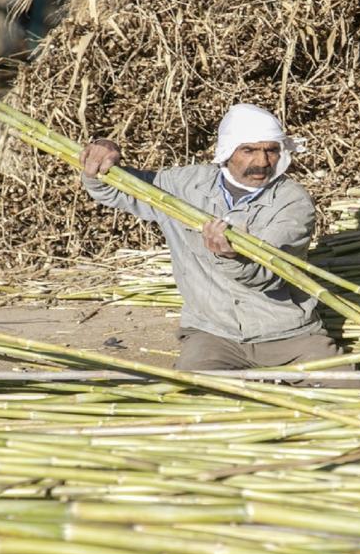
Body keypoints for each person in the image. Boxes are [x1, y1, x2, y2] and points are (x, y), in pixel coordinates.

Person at [79, 103, 342, 379]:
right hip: (214, 334)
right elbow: (119, 189)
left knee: (347, 392)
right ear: (227, 151)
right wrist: (102, 152)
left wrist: (232, 257)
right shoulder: (184, 186)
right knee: (193, 400)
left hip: (286, 332)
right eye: (249, 150)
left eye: (271, 150)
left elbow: (269, 273)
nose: (263, 162)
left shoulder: (292, 202)